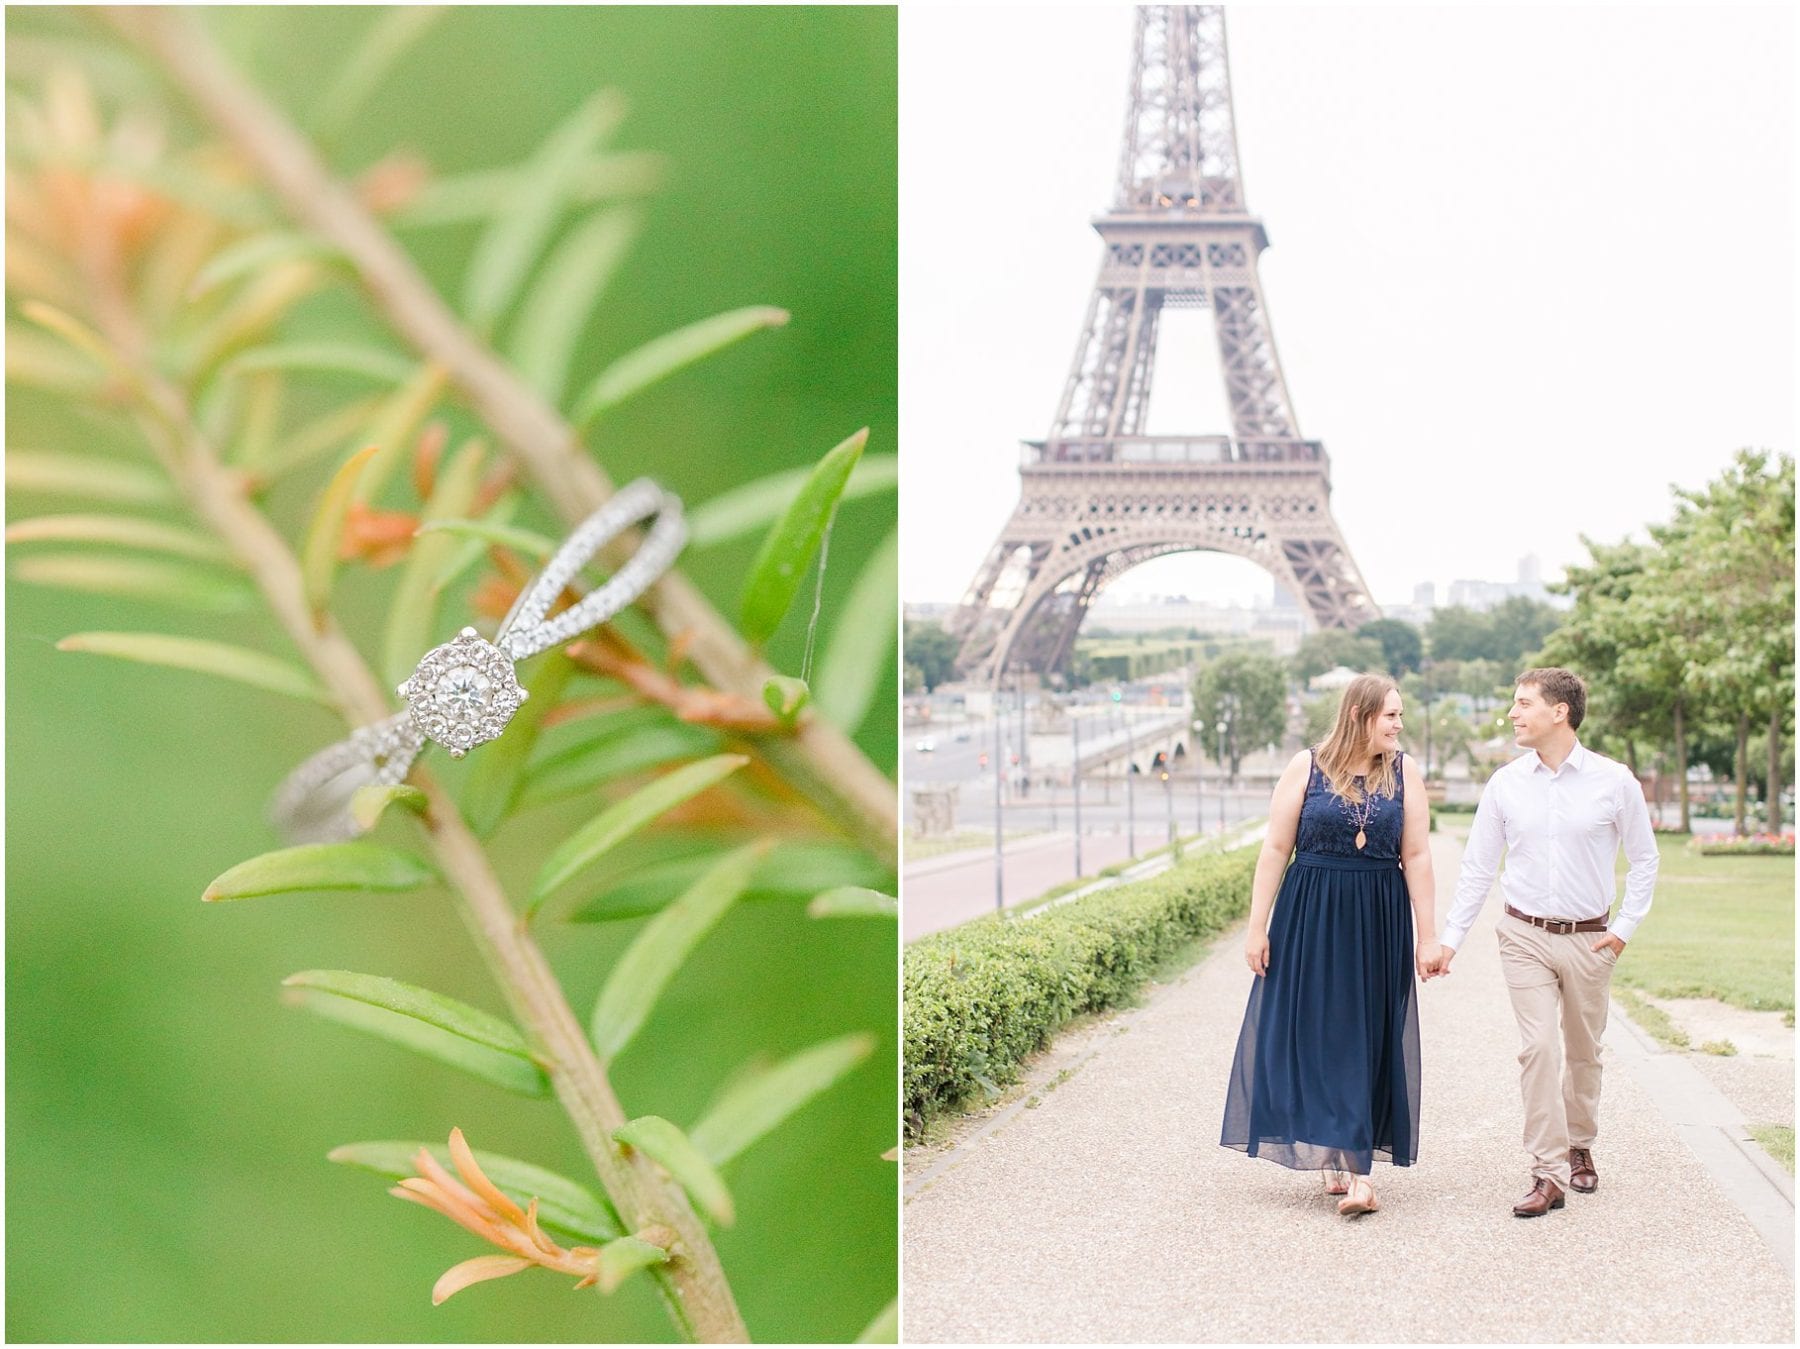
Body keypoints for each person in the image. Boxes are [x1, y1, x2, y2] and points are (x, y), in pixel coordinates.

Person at [1430, 667, 1657, 1217]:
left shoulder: (1615, 780)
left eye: (1523, 703)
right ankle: (1547, 1171)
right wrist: (1450, 941)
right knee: (1539, 1048)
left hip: (1589, 940)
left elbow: (1645, 859)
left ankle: (1580, 1144)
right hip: (1523, 934)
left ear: (1560, 712)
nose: (1513, 713)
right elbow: (1479, 867)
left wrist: (1622, 930)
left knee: (1583, 1053)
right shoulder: (1506, 783)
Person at [1221, 674, 1443, 1217]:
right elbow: (1276, 847)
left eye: (1400, 715)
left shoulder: (1405, 771)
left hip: (1377, 916)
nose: (1399, 724)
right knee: (1316, 1033)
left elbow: (1416, 856)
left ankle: (1360, 1170)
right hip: (1310, 915)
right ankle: (1336, 1148)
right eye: (1391, 714)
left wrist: (1427, 934)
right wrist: (1257, 927)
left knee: (1366, 1034)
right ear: (1361, 715)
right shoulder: (1307, 766)